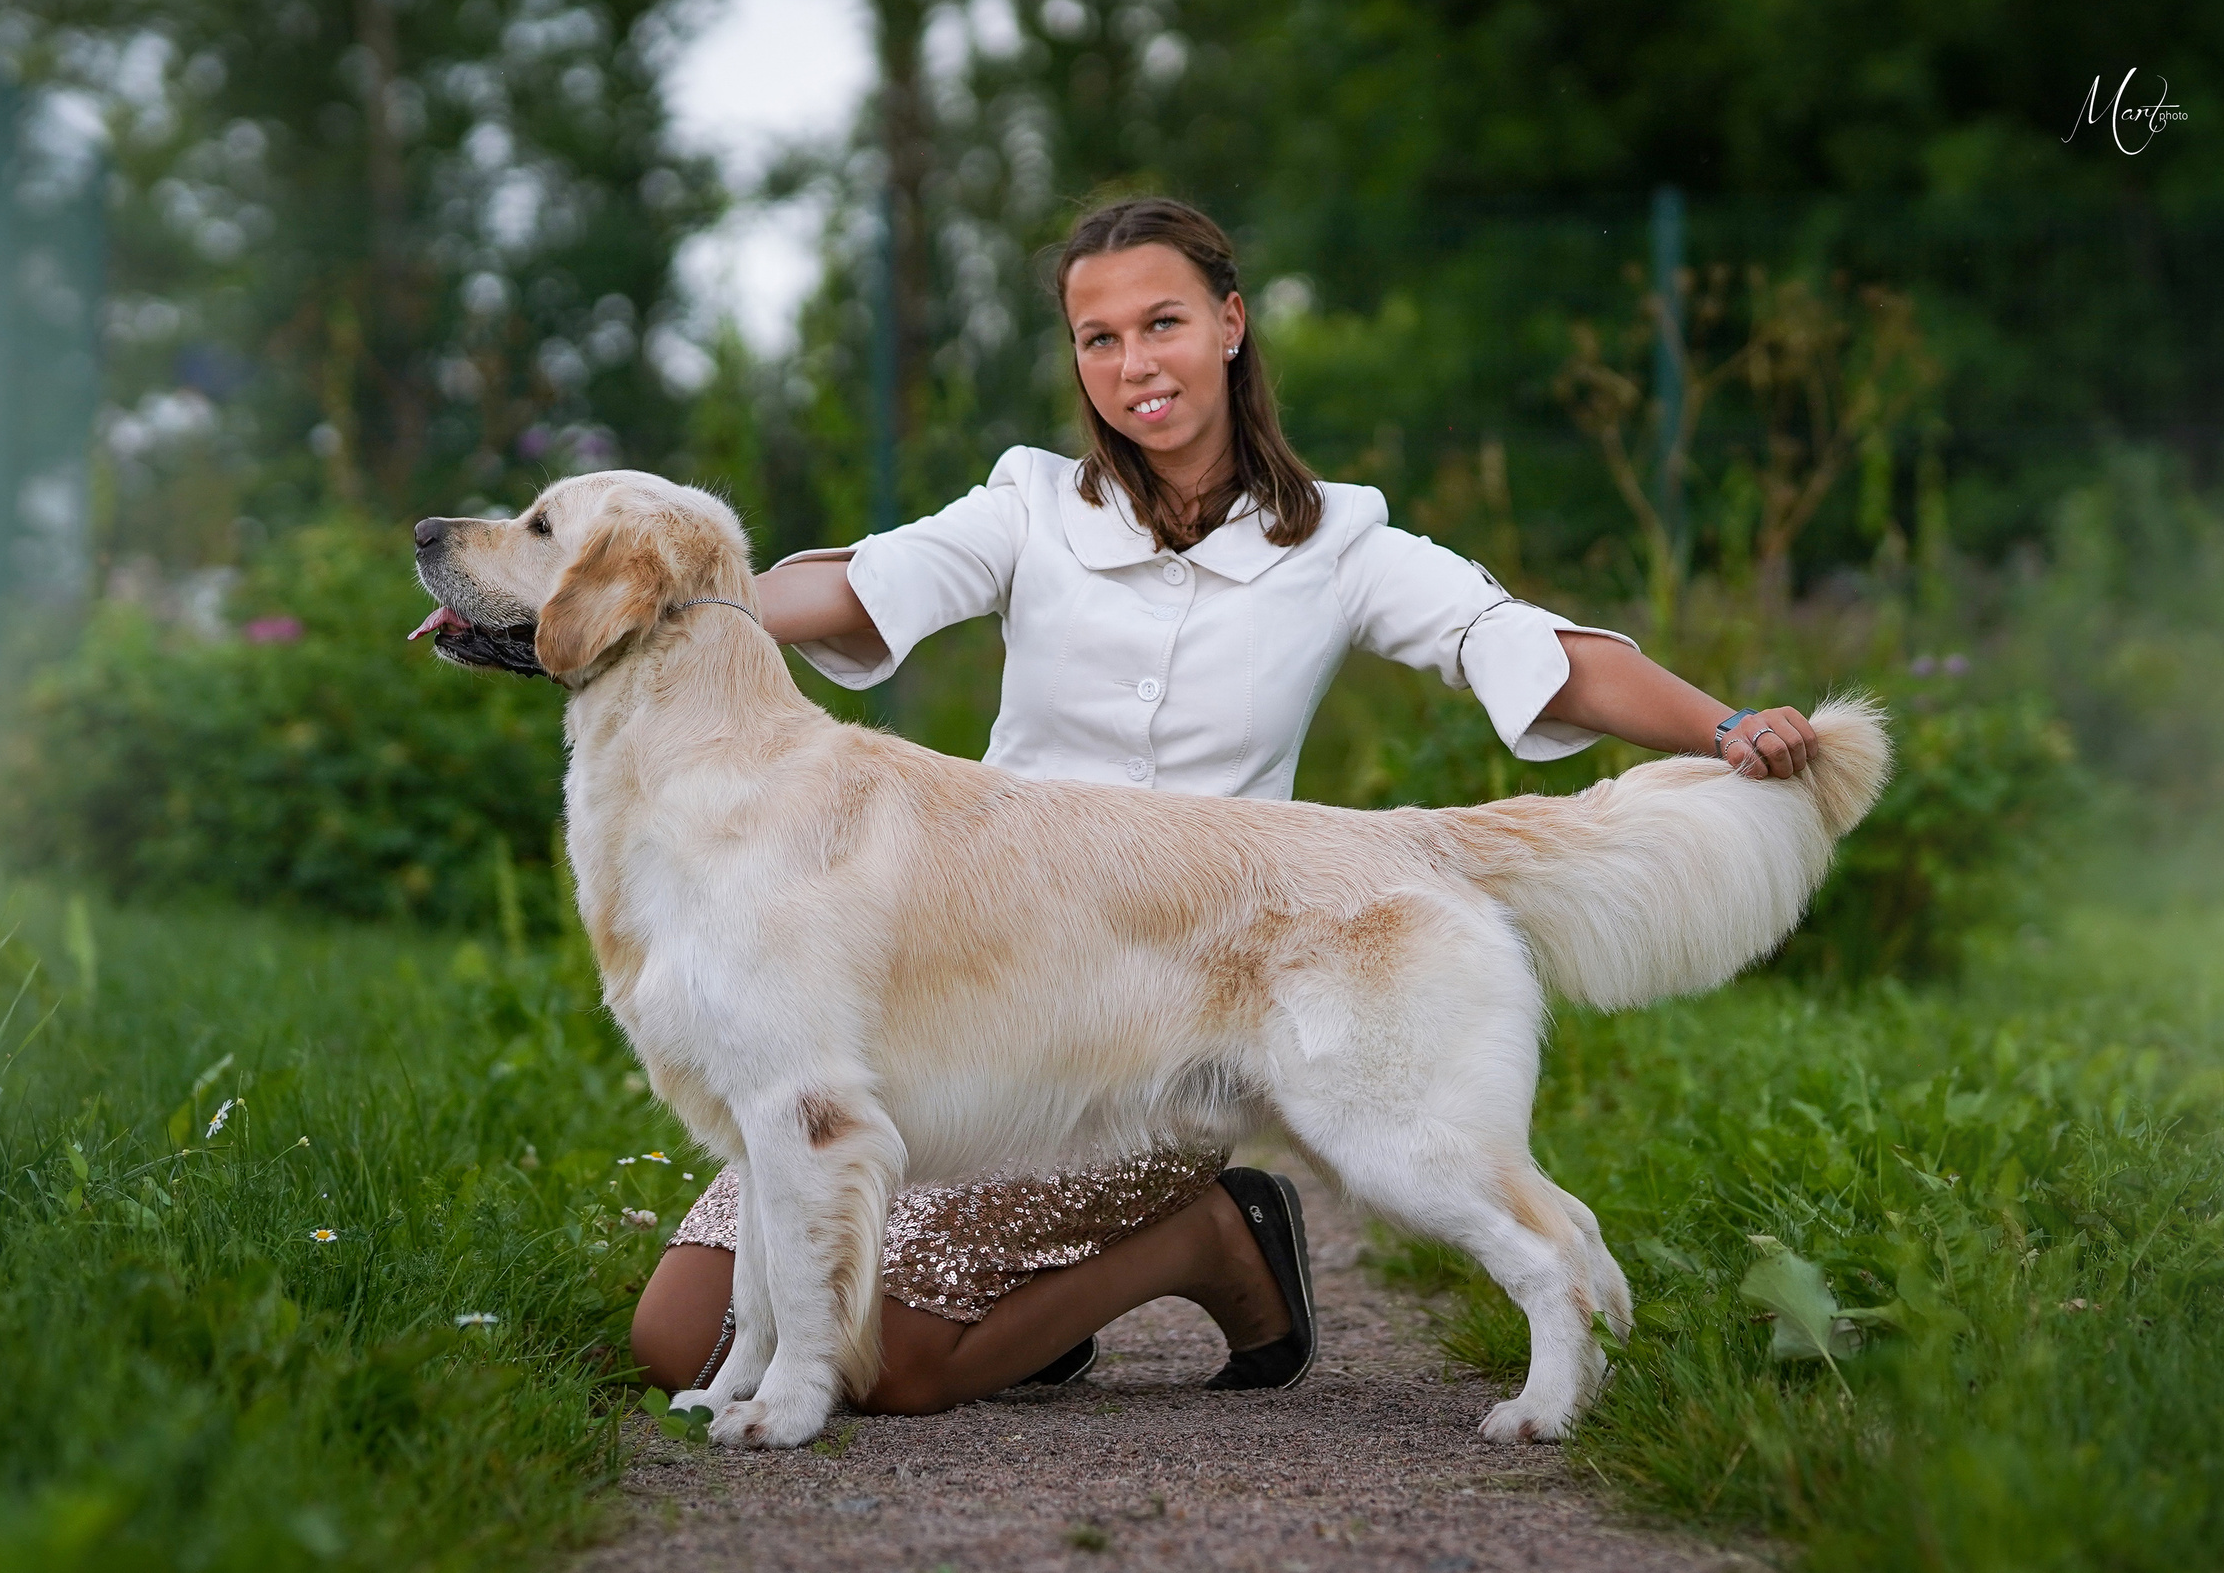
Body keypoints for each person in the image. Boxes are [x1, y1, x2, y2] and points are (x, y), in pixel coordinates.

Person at [628, 195, 1822, 1416]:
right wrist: (677, 605)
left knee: (900, 1365)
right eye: (1098, 339)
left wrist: (1723, 726)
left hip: (1179, 1016)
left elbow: (1528, 650)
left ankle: (1205, 1240)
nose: (1134, 365)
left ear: (1232, 323)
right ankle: (1057, 1290)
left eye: (1163, 323)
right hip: (973, 1010)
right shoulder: (1030, 506)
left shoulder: (1340, 538)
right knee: (679, 1337)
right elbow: (859, 584)